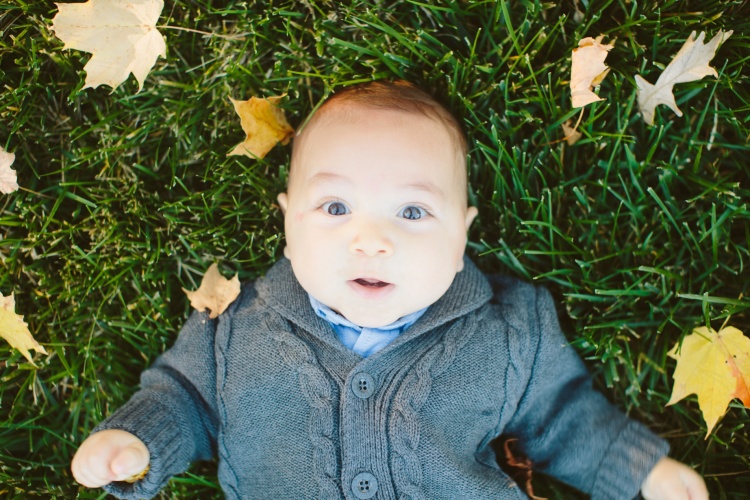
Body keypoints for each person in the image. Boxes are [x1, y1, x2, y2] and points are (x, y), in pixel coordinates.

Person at [71, 80, 708, 499]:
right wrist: (136, 440)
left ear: (462, 237)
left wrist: (639, 469)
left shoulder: (510, 331)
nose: (371, 240)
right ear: (289, 224)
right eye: (336, 207)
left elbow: (563, 416)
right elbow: (182, 398)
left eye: (411, 213)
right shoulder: (234, 328)